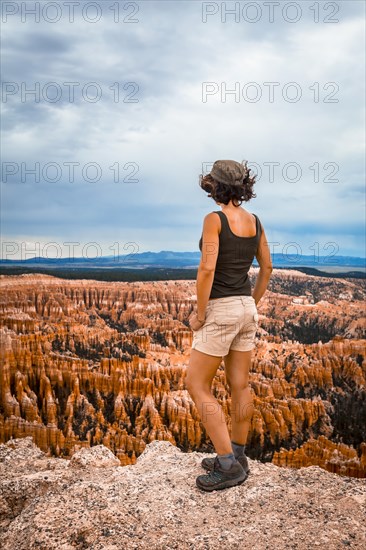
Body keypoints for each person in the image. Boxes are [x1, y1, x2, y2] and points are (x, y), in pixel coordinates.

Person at [185, 159, 273, 492]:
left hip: (220, 309)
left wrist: (201, 313)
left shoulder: (214, 220)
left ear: (215, 186)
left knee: (196, 384)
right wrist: (252, 302)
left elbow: (207, 269)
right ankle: (238, 454)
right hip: (246, 309)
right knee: (240, 384)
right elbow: (267, 268)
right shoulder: (255, 221)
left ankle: (226, 465)